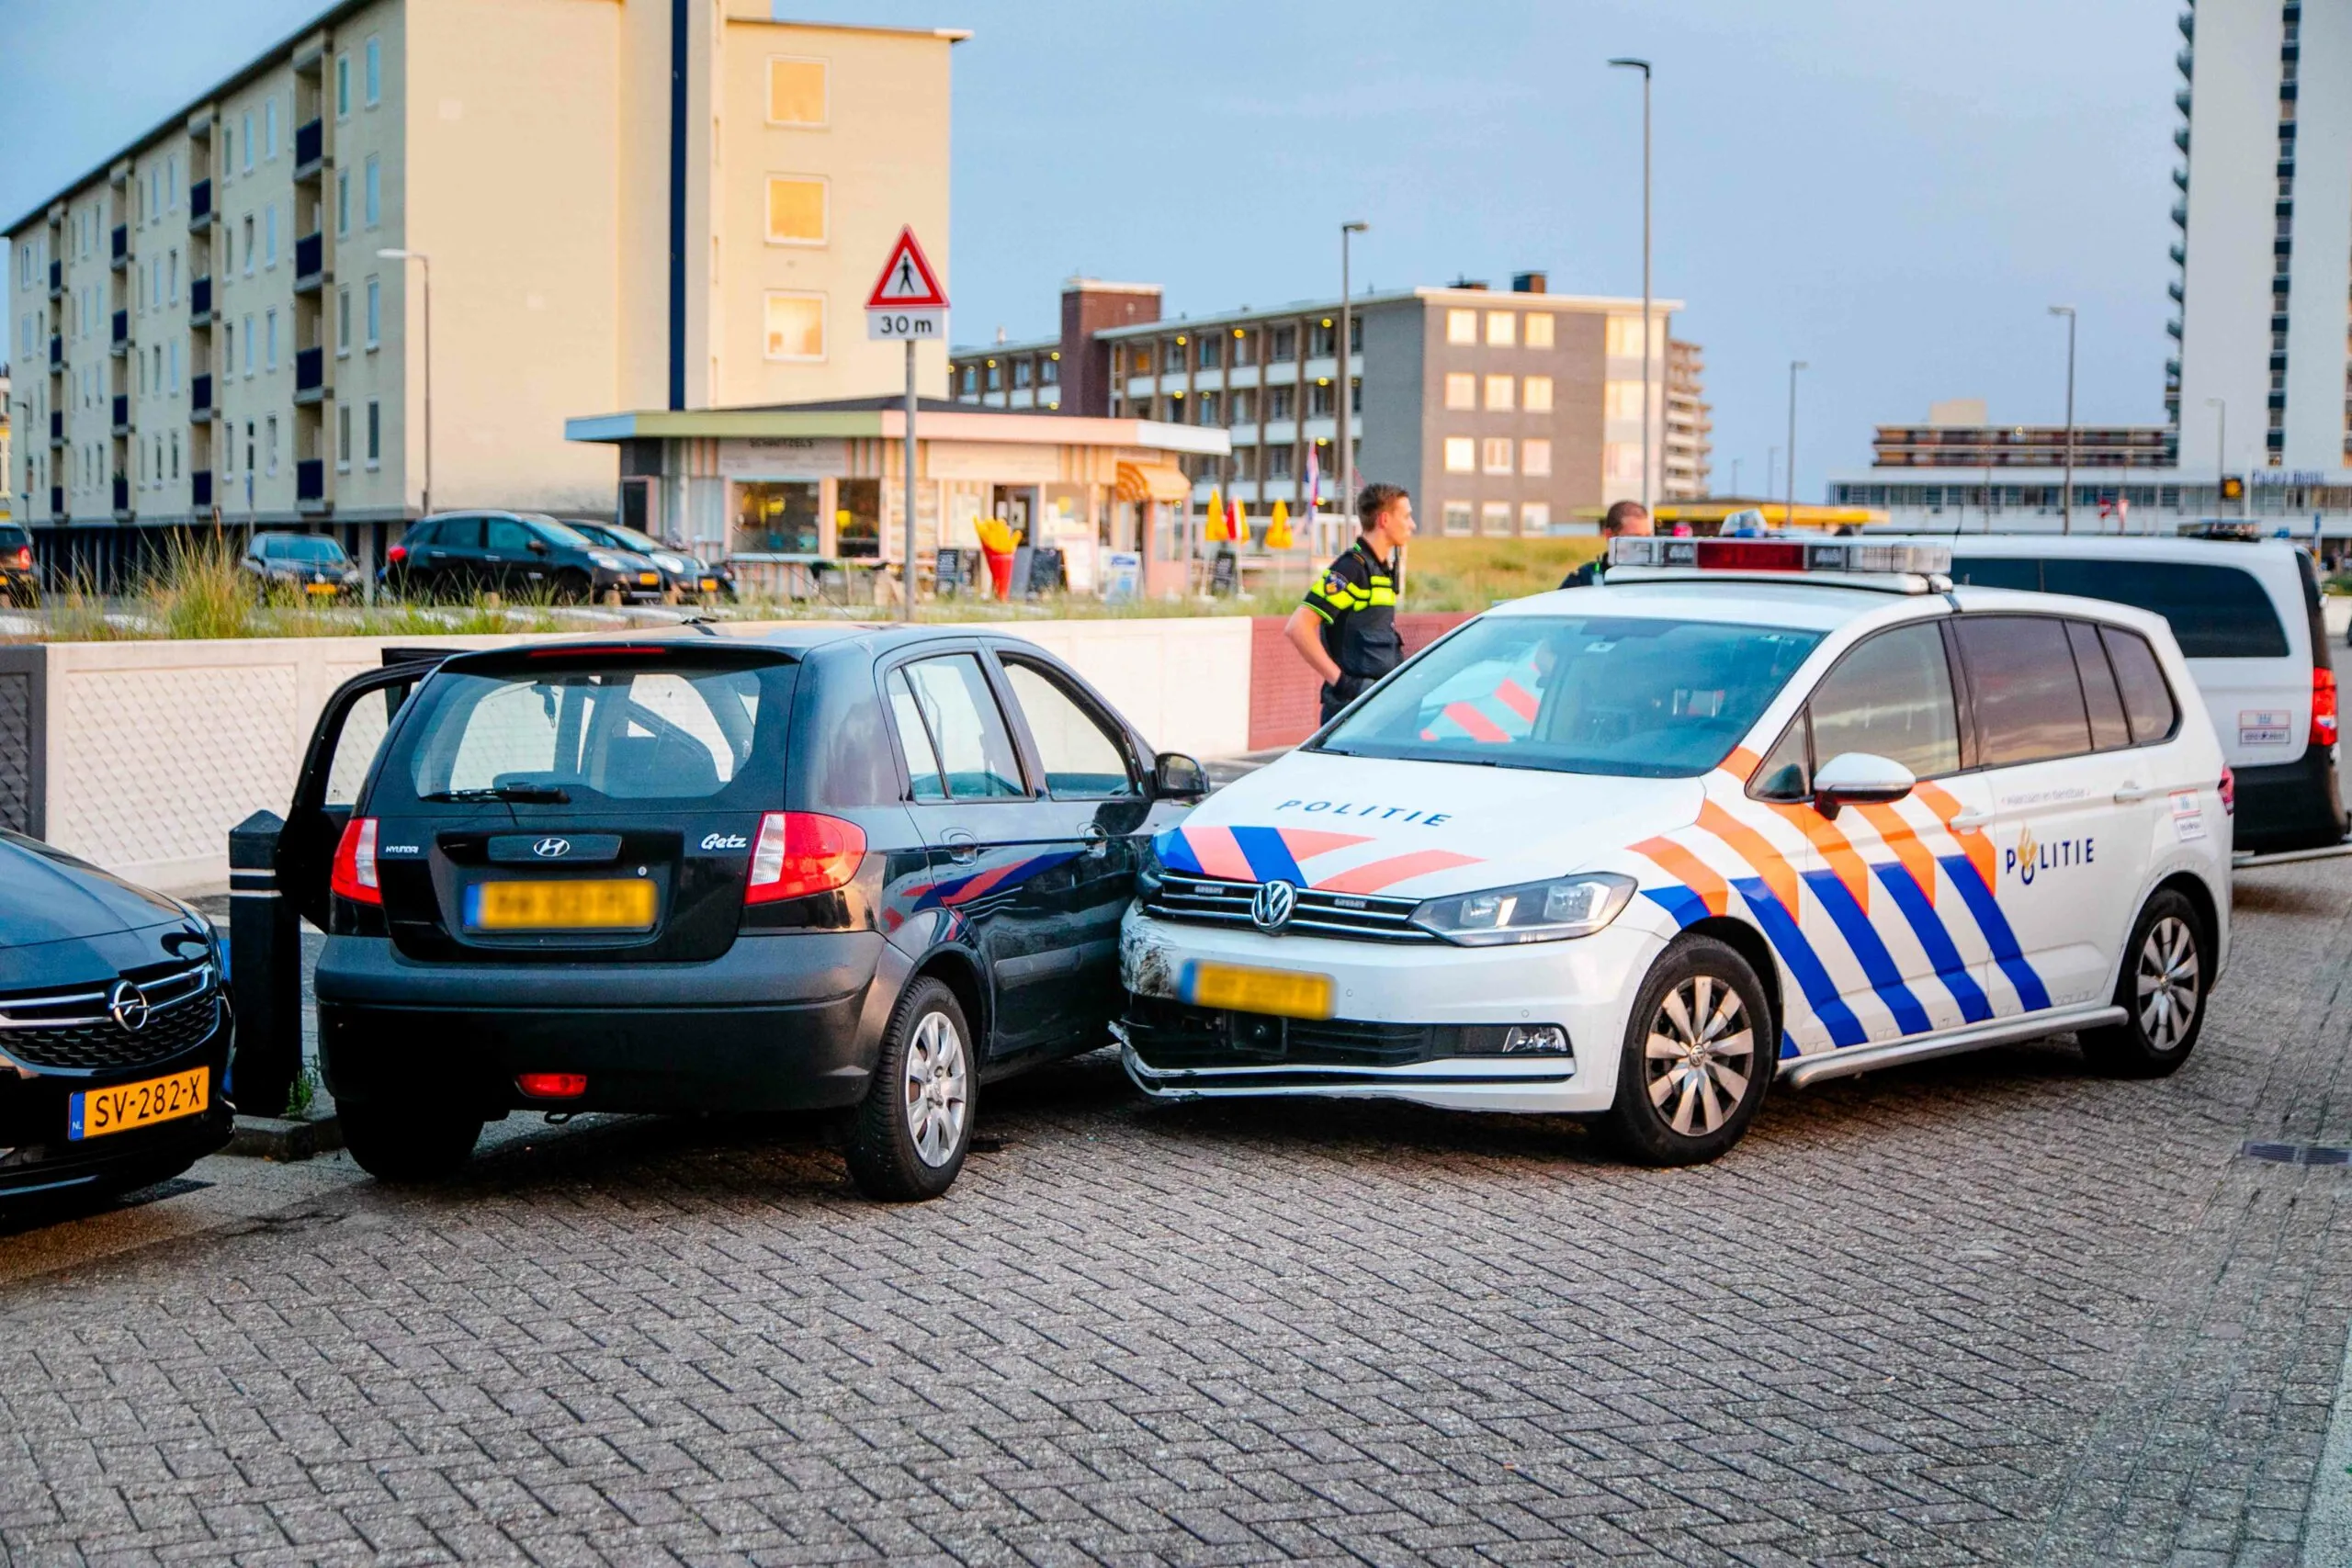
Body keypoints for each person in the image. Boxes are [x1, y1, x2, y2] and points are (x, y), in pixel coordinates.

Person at [1287, 482, 1415, 724]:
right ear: (1385, 520)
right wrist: (1345, 684)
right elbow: (1297, 627)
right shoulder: (1351, 568)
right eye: (1406, 516)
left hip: (1375, 707)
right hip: (1351, 712)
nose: (1412, 525)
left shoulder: (1379, 570)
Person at [1559, 499, 1653, 589]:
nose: (1645, 544)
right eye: (1635, 538)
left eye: (1648, 537)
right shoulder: (1586, 578)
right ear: (1609, 535)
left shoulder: (1657, 576)